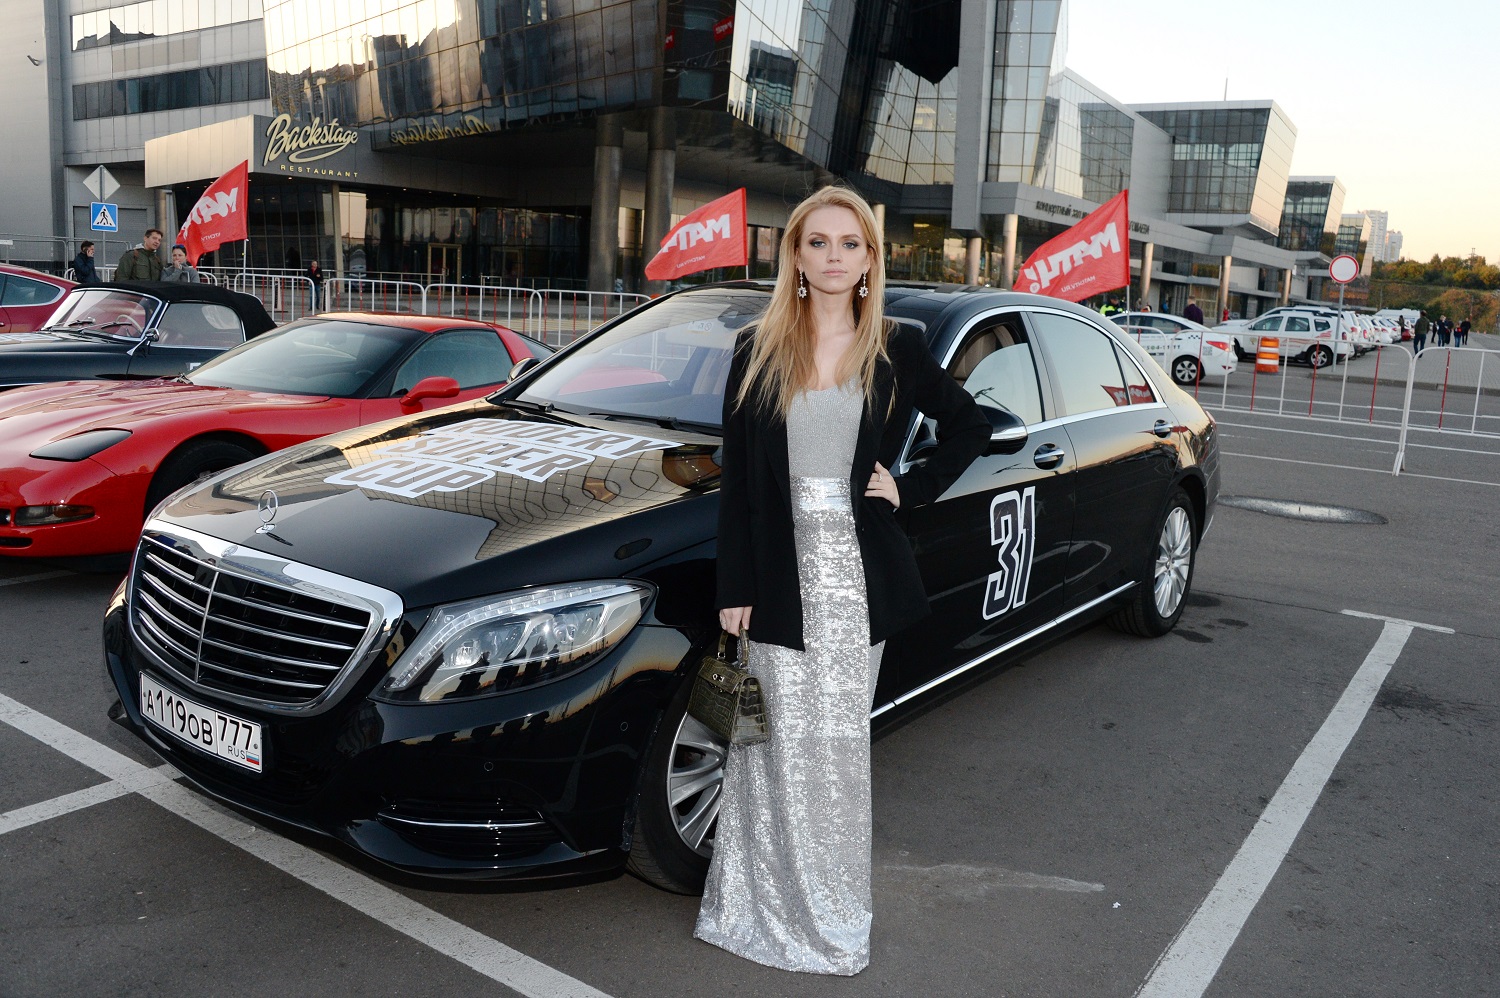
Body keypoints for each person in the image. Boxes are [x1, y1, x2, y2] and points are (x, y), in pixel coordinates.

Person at [699, 185, 988, 975]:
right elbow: (739, 484)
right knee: (768, 750)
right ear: (795, 255)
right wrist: (734, 587)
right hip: (777, 575)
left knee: (834, 753)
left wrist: (911, 487)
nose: (834, 257)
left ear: (870, 259)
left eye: (850, 244)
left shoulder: (897, 347)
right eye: (818, 242)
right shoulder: (755, 349)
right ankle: (755, 909)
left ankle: (827, 918)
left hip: (855, 579)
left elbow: (973, 425)